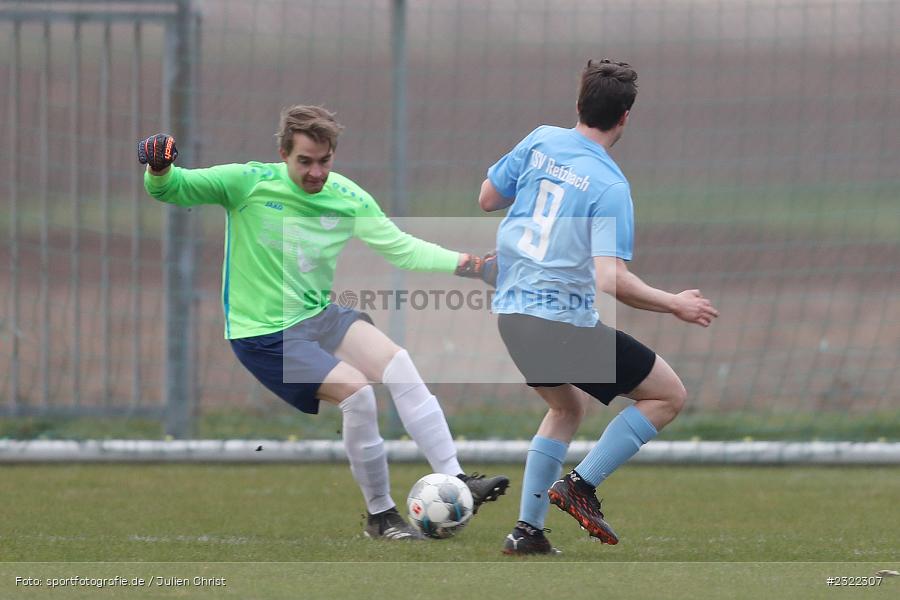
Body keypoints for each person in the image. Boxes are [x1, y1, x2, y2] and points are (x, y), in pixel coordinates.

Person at [138, 105, 508, 541]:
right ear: (283, 154)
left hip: (319, 315)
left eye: (325, 161)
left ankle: (458, 480)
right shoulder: (247, 183)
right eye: (305, 161)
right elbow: (175, 189)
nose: (316, 172)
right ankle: (381, 516)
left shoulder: (346, 196)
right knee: (358, 396)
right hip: (264, 334)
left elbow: (401, 249)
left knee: (398, 363)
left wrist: (474, 265)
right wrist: (159, 168)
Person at [477, 60, 719, 555]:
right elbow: (613, 280)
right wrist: (675, 303)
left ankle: (527, 532)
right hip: (557, 323)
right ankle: (581, 486)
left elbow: (487, 198)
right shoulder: (610, 186)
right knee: (667, 396)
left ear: (578, 105)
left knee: (567, 407)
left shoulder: (540, 140)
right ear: (625, 117)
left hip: (512, 318)